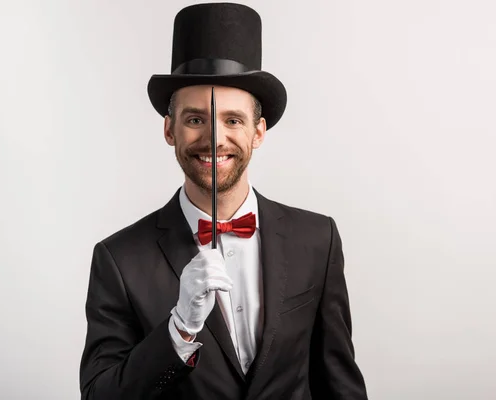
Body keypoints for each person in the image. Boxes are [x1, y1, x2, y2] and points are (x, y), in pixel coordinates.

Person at [79, 3, 368, 399]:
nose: (215, 139)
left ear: (258, 132)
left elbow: (339, 384)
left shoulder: (318, 239)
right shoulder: (119, 259)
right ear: (169, 130)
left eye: (233, 120)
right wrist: (178, 329)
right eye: (195, 119)